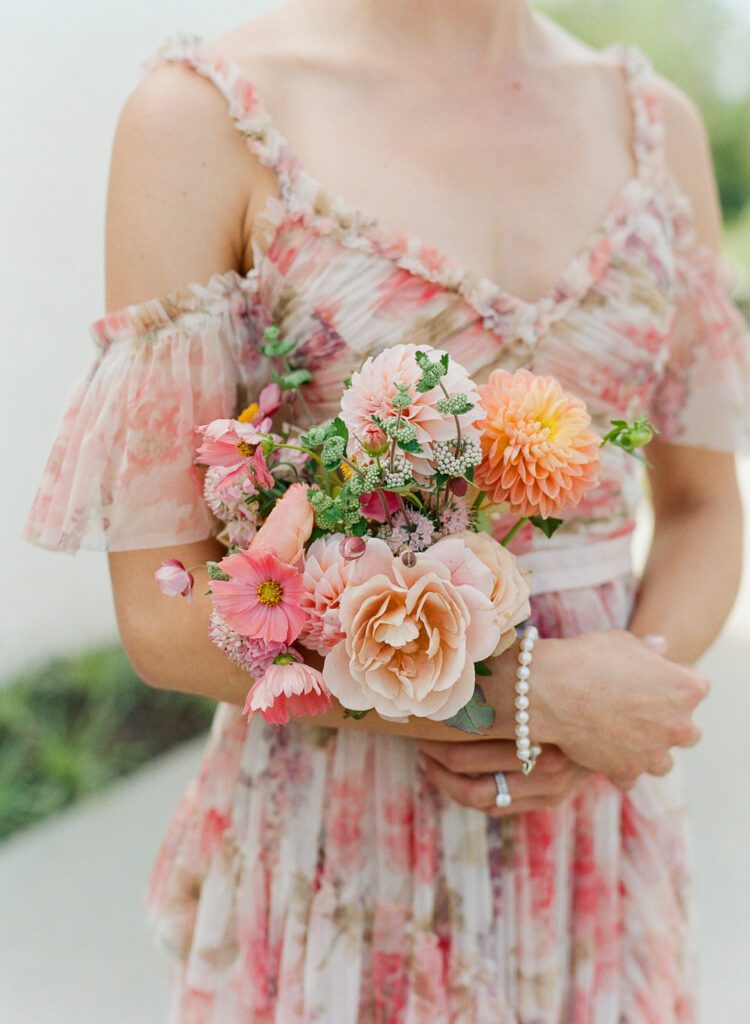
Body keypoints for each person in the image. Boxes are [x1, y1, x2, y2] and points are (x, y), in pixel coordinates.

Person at [24, 1, 750, 1020]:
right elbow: (160, 608)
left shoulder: (655, 126)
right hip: (346, 843)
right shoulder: (204, 117)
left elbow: (705, 502)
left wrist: (624, 696)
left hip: (591, 840)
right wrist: (518, 694)